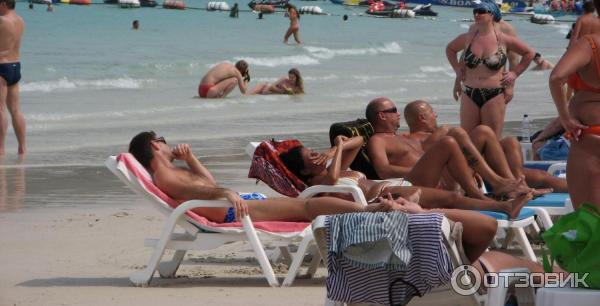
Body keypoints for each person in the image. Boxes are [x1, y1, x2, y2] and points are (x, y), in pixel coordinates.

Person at [129, 130, 498, 262]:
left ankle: (371, 209)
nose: (167, 142)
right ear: (154, 146)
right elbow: (194, 191)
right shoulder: (164, 174)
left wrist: (192, 158)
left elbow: (199, 182)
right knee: (308, 206)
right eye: (161, 140)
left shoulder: (172, 169)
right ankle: (372, 211)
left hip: (231, 205)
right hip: (229, 211)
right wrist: (224, 190)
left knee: (310, 206)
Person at [279, 135, 530, 218]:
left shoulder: (336, 165)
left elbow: (359, 141)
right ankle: (504, 206)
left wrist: (337, 146)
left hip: (400, 185)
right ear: (304, 171)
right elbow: (333, 181)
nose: (315, 156)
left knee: (448, 143)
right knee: (451, 197)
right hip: (389, 196)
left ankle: (484, 196)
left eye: (313, 151)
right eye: (310, 157)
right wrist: (338, 151)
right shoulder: (316, 183)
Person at [364, 97, 527, 200]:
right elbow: (383, 170)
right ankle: (497, 184)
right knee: (453, 136)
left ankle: (507, 184)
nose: (398, 114)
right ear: (381, 115)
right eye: (393, 111)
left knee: (483, 131)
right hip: (425, 182)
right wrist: (425, 169)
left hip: (444, 174)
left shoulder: (402, 137)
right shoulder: (377, 140)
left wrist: (468, 167)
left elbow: (427, 150)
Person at [402, 100, 567, 193]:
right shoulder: (415, 139)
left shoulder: (438, 135)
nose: (435, 115)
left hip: (473, 170)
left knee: (510, 143)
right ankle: (507, 185)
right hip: (452, 178)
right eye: (432, 112)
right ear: (422, 118)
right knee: (482, 131)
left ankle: (516, 184)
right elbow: (425, 161)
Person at [446, 0, 535, 137]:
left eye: (481, 11)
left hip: (494, 94)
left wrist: (514, 75)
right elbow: (450, 49)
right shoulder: (469, 37)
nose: (477, 14)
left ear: (492, 14)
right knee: (467, 139)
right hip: (469, 92)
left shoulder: (503, 38)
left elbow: (529, 53)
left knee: (491, 139)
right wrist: (457, 71)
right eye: (475, 11)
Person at [549, 0, 600, 209]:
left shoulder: (590, 44)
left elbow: (556, 78)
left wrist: (566, 118)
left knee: (590, 217)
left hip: (591, 138)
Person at [0, 0, 26, 157]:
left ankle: (0, 148)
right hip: (15, 65)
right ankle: (22, 147)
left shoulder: (2, 20)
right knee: (15, 110)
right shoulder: (20, 21)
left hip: (1, 66)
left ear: (3, 4)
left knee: (0, 109)